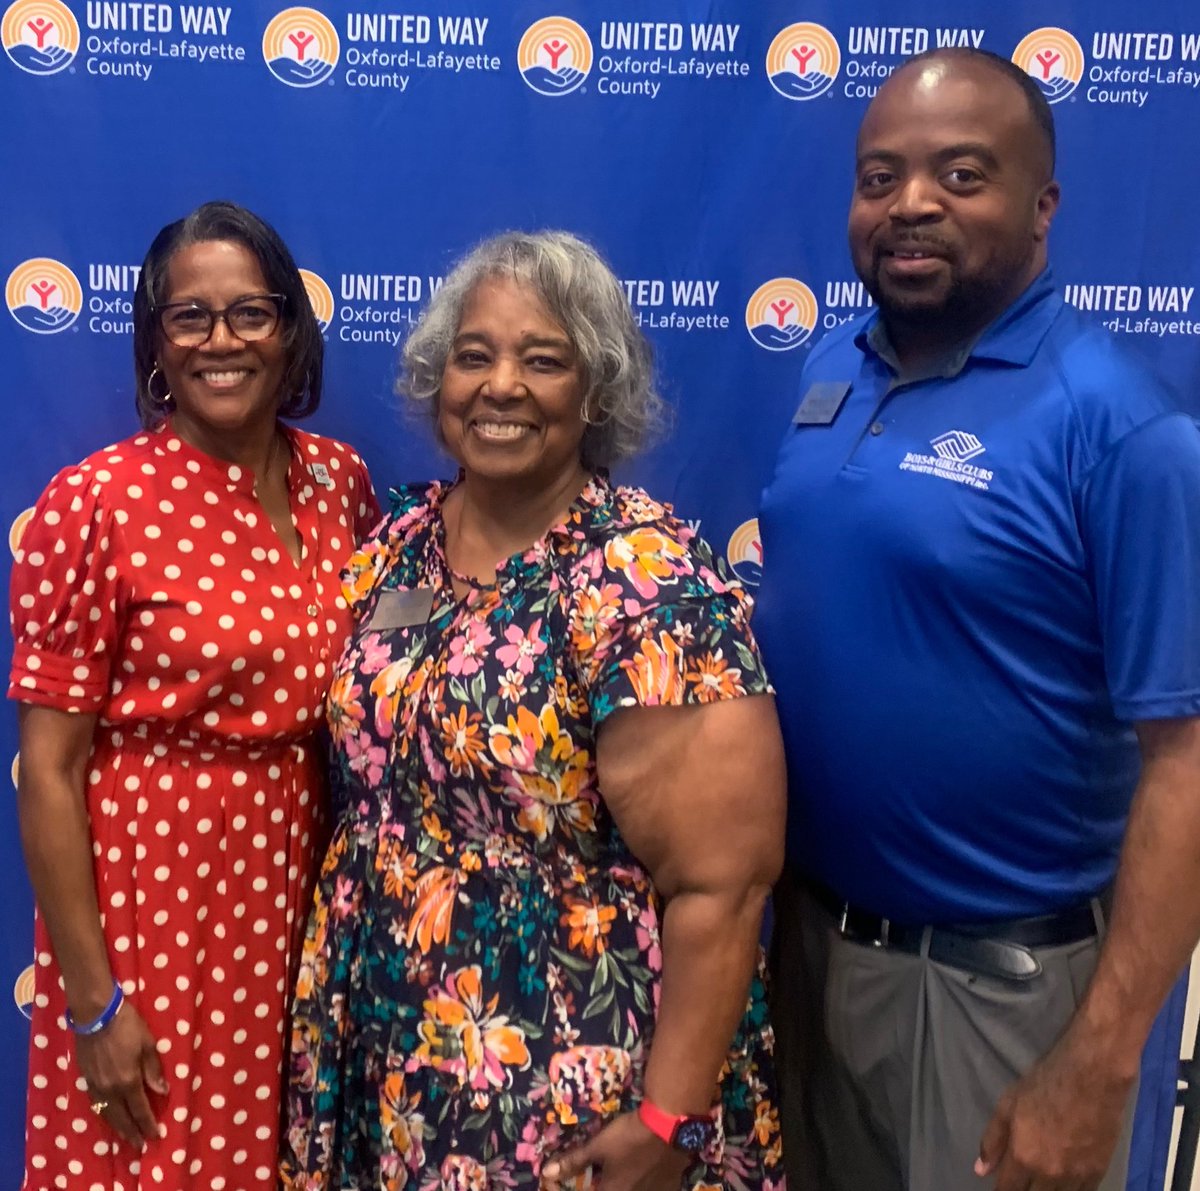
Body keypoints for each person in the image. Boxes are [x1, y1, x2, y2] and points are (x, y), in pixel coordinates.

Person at [755, 48, 1200, 1191]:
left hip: (1000, 992)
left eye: (962, 175)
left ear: (1042, 206)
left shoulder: (1121, 427)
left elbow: (1188, 764)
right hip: (810, 958)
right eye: (880, 177)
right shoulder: (830, 373)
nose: (912, 204)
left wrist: (1098, 1064)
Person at [280, 230, 787, 1190]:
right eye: (474, 355)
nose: (500, 384)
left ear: (594, 393)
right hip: (382, 1048)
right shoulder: (397, 546)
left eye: (542, 359)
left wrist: (666, 1116)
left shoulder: (646, 579)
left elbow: (724, 888)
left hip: (567, 1071)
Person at [11, 200, 380, 1188]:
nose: (222, 341)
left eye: (251, 313)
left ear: (291, 332)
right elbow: (47, 771)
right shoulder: (97, 505)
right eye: (190, 317)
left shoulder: (340, 485)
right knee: (152, 1157)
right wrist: (93, 1004)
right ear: (156, 342)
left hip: (297, 890)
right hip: (150, 906)